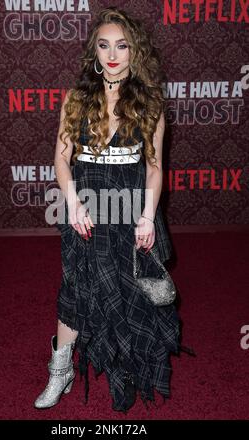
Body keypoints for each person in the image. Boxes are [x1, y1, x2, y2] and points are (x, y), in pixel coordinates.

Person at [34, 6, 195, 414]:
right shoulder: (76, 98)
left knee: (129, 290)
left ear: (134, 52)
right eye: (104, 45)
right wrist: (71, 203)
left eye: (122, 46)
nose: (112, 54)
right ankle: (60, 370)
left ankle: (127, 366)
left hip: (131, 208)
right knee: (76, 286)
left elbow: (156, 168)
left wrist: (147, 216)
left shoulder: (150, 102)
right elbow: (61, 159)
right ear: (94, 50)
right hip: (85, 207)